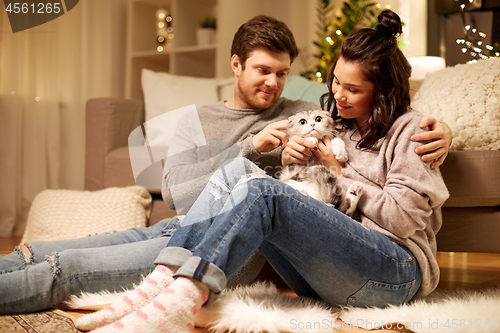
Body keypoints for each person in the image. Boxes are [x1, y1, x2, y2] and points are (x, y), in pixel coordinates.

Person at [0, 14, 450, 317]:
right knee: (52, 249)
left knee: (69, 267)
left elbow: (385, 115)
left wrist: (443, 130)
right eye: (261, 71)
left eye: (281, 72)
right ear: (236, 66)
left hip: (255, 247)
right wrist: (253, 147)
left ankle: (173, 292)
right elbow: (178, 197)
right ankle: (164, 283)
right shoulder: (199, 120)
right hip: (190, 228)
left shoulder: (312, 112)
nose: (273, 84)